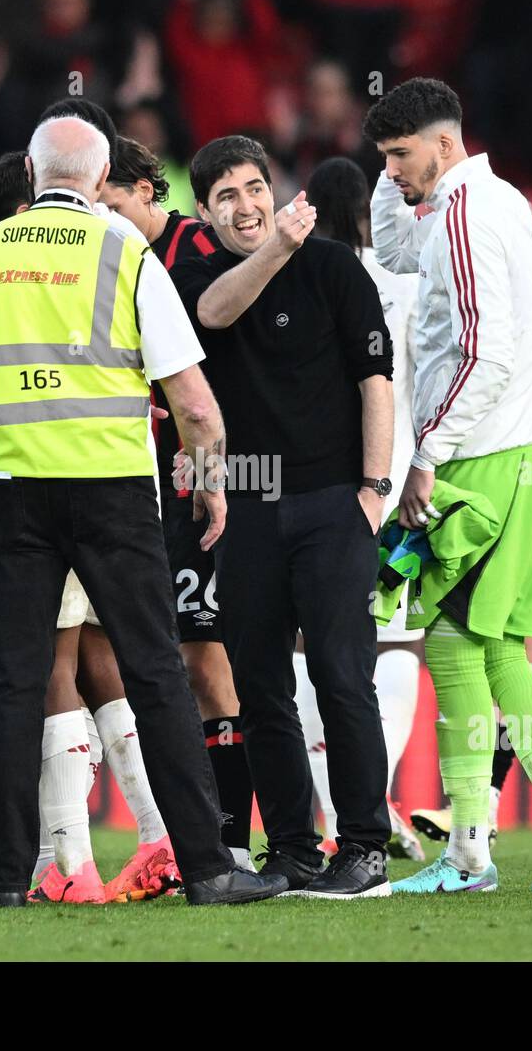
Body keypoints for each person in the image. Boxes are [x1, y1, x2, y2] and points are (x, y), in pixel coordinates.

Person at [0, 114, 284, 908]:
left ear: (33, 170)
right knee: (155, 673)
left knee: (14, 682)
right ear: (101, 170)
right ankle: (209, 870)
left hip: (13, 493)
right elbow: (193, 400)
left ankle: (9, 880)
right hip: (114, 489)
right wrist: (209, 480)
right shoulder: (125, 250)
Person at [366, 77, 532, 894]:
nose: (391, 173)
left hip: (480, 464)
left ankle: (469, 852)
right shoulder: (496, 201)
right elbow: (393, 250)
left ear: (444, 143)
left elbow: (489, 351)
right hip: (531, 457)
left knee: (458, 651)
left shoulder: (461, 214)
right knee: (494, 649)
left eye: (398, 156)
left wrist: (429, 450)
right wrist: (389, 181)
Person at [172, 134, 394, 899]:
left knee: (341, 676)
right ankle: (295, 847)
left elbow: (376, 381)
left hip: (335, 502)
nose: (246, 205)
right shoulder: (196, 274)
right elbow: (214, 311)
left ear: (275, 191)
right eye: (227, 195)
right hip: (249, 513)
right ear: (203, 211)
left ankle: (365, 847)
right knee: (260, 686)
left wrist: (373, 490)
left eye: (255, 188)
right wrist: (274, 251)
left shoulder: (334, 267)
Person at [100, 135, 257, 870]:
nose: (101, 215)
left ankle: (233, 839)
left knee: (212, 665)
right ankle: (204, 841)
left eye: (111, 202)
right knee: (184, 666)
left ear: (147, 192)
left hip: (214, 479)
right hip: (153, 481)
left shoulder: (199, 249)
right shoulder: (110, 263)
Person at [298, 155, 426, 864]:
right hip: (402, 482)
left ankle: (331, 810)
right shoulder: (407, 281)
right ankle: (375, 799)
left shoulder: (300, 274)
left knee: (308, 641)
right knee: (397, 640)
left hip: (318, 484)